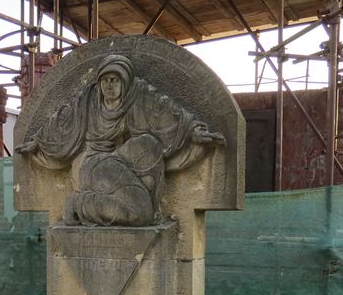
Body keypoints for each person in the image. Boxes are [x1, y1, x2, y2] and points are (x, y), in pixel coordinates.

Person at [16, 54, 225, 226]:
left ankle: (136, 200)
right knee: (140, 213)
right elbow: (61, 123)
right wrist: (39, 142)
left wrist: (193, 131)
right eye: (105, 80)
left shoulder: (138, 94)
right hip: (91, 163)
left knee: (149, 144)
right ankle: (79, 204)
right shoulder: (88, 100)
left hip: (119, 159)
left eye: (114, 80)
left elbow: (167, 112)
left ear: (124, 82)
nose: (109, 85)